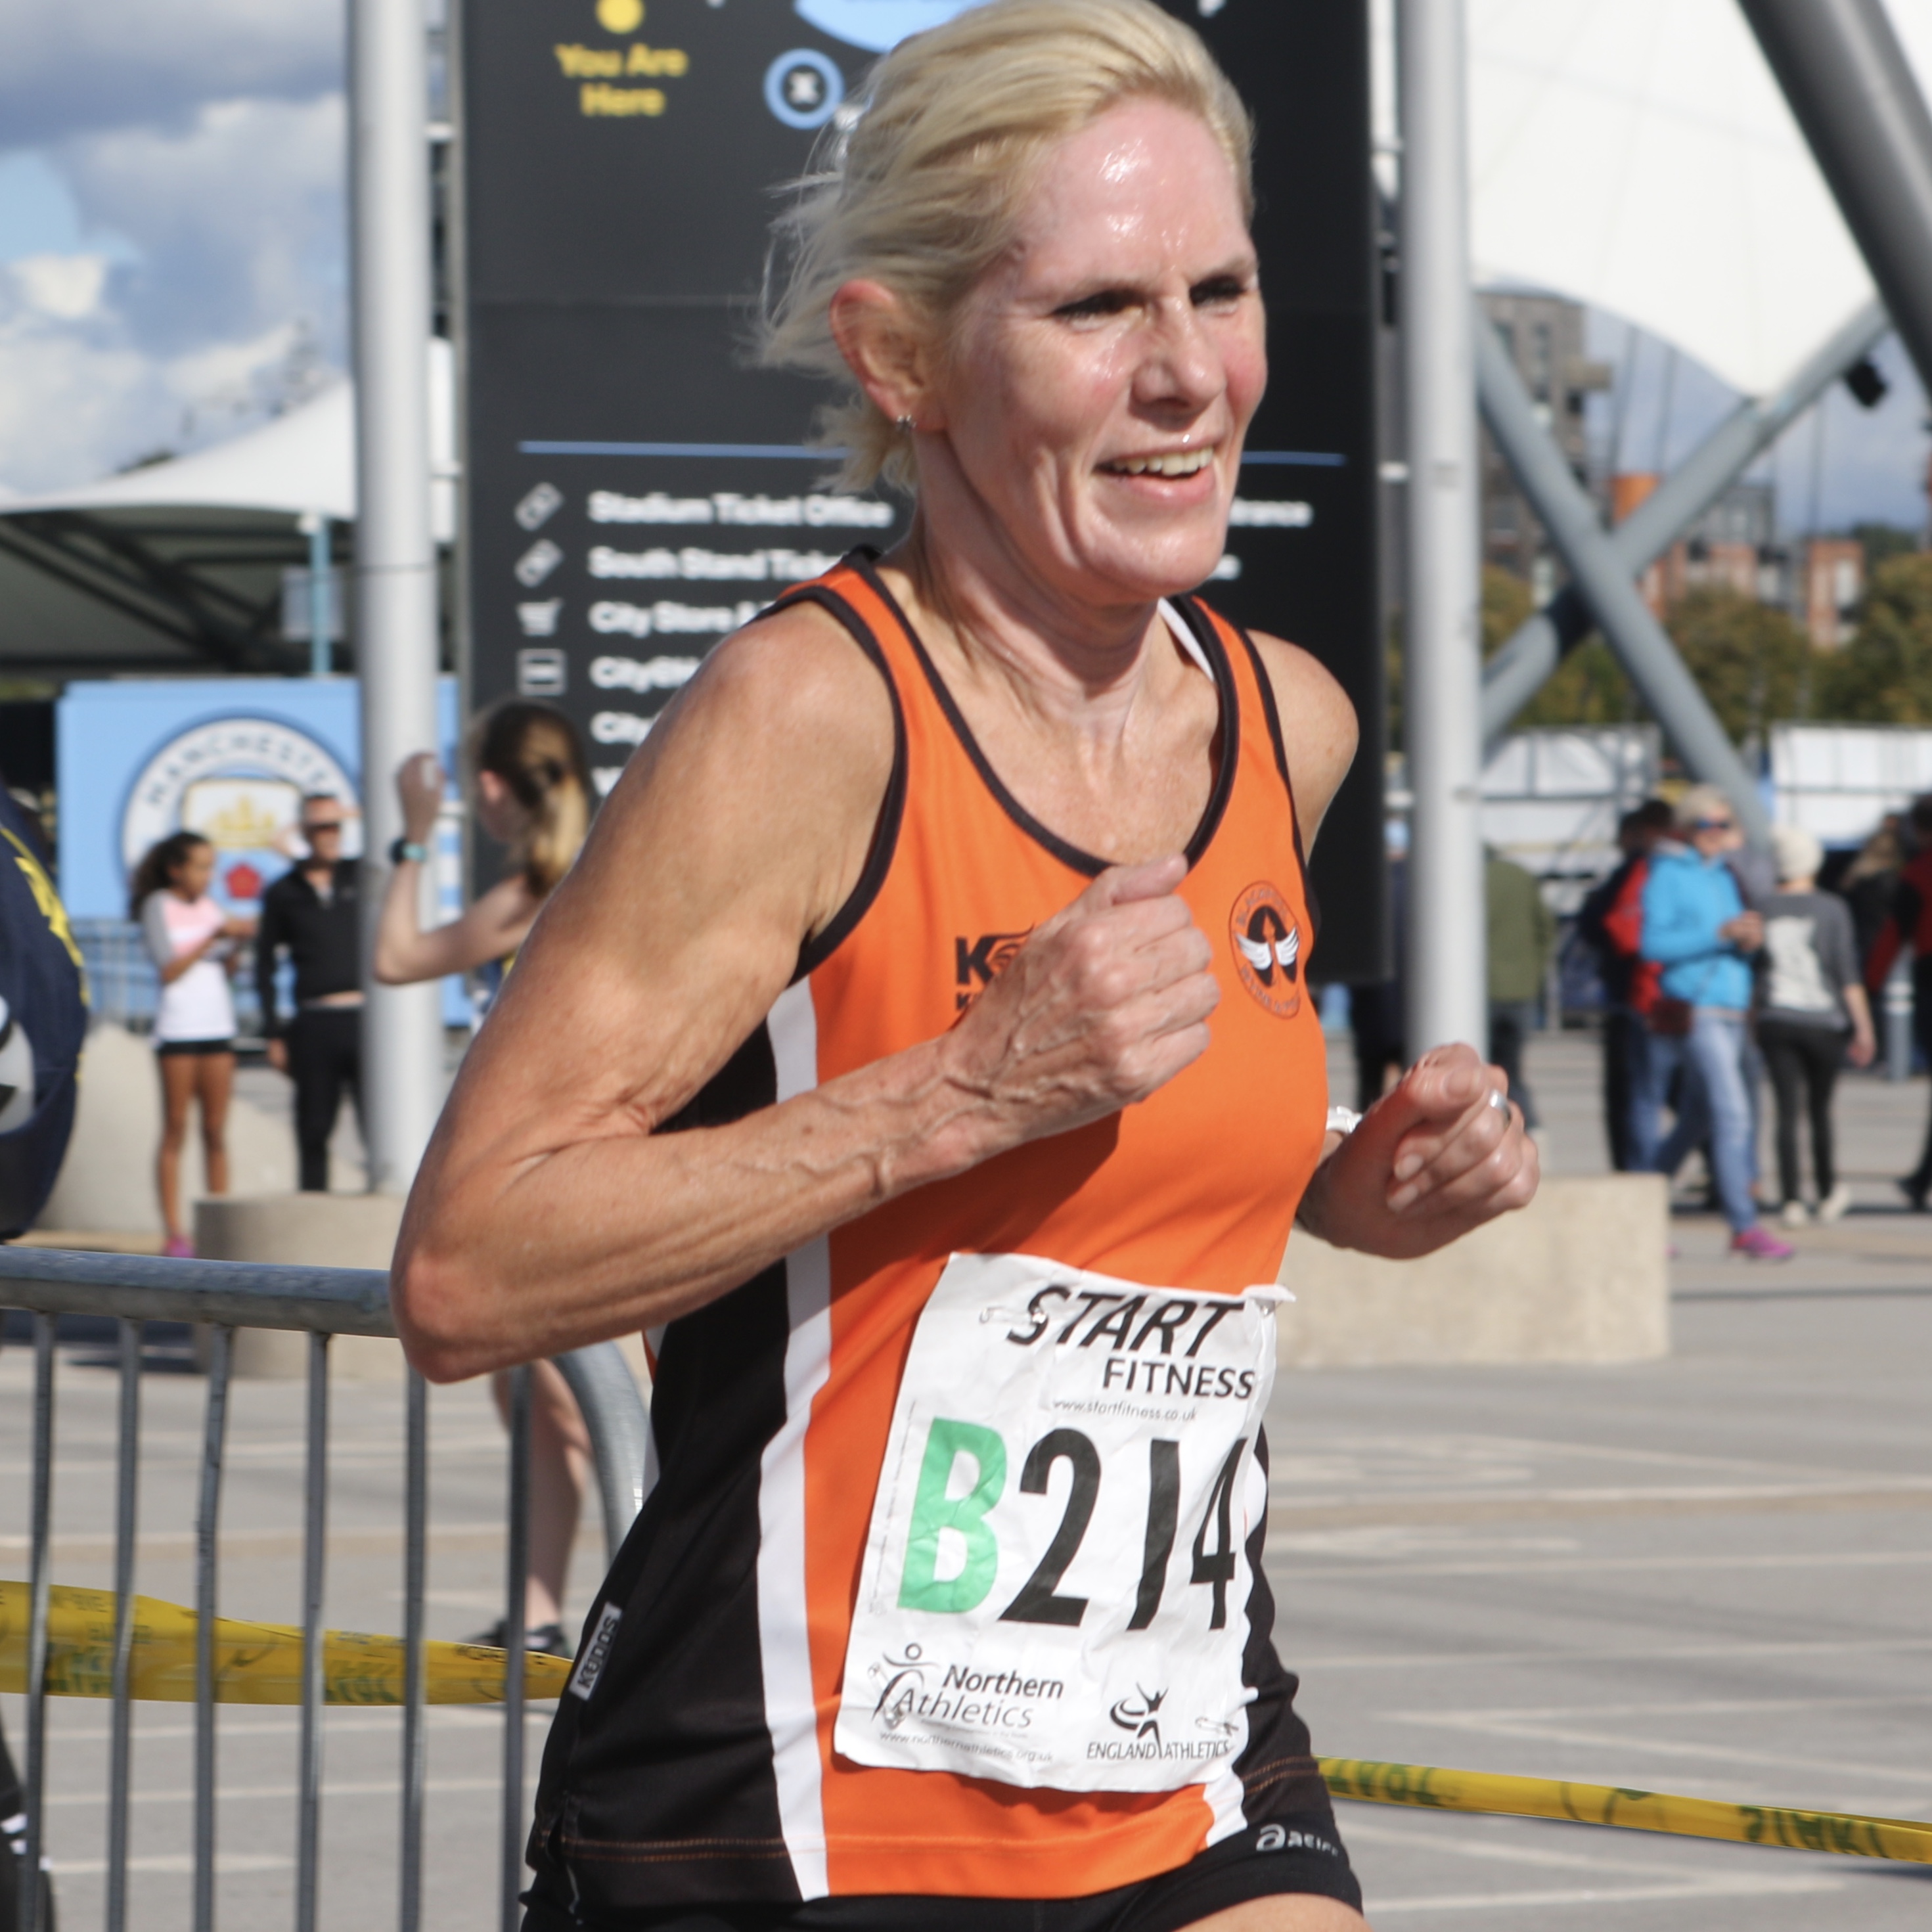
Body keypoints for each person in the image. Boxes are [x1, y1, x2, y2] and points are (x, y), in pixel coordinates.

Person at [393, 9, 1538, 1928]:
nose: (1188, 373)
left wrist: (1348, 1183)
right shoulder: (806, 718)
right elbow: (465, 1266)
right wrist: (958, 1088)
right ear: (898, 355)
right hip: (796, 1786)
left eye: (1220, 288)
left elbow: (1102, 1168)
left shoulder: (1289, 722)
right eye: (1096, 307)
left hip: (1172, 1736)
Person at [376, 700, 595, 1657]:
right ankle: (538, 1610)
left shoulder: (537, 893)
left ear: (497, 788)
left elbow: (395, 957)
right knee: (534, 1402)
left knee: (573, 1401)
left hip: (561, 1175)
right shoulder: (588, 876)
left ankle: (640, 1611)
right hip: (550, 1170)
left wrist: (413, 838)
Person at [1637, 788, 1791, 1260]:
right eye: (1706, 824)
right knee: (1732, 1113)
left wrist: (1747, 941)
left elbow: (1730, 939)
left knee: (1697, 1119)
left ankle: (1636, 1209)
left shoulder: (1724, 874)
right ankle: (1743, 1224)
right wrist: (1718, 934)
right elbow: (1652, 944)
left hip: (1732, 1004)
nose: (1715, 833)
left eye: (1723, 824)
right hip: (1697, 1005)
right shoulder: (1668, 874)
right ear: (1686, 828)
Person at [130, 832, 251, 1259]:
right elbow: (169, 969)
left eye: (211, 866)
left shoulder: (211, 906)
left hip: (217, 1028)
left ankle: (217, 1226)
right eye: (200, 866)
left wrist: (236, 942)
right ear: (175, 869)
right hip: (178, 1032)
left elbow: (227, 970)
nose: (208, 875)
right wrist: (211, 937)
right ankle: (175, 1231)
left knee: (216, 1130)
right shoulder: (158, 905)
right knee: (176, 1127)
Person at [1759, 824, 1874, 1226]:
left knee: (1786, 1111)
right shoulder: (1831, 908)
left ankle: (1791, 1198)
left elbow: (1755, 970)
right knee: (1821, 1110)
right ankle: (1826, 1191)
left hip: (1776, 1017)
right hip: (1823, 1019)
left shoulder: (1762, 906)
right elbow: (1847, 973)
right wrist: (1864, 1026)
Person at [256, 794, 364, 1191]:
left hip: (365, 1018)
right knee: (314, 1126)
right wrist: (273, 1032)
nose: (330, 834)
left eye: (336, 826)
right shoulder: (284, 891)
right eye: (320, 827)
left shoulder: (360, 876)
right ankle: (314, 1207)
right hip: (315, 1021)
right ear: (304, 832)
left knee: (380, 1123)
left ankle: (392, 1213)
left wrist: (347, 812)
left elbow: (401, 837)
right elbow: (265, 964)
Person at [1575, 799, 1673, 1171]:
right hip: (1682, 996)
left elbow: (1603, 926)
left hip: (1635, 995)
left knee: (1634, 1094)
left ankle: (1636, 1172)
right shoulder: (1697, 870)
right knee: (1690, 1094)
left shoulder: (1636, 870)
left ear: (1640, 833)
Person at [1864, 793, 1932, 1206]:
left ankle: (1921, 1180)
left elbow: (1893, 935)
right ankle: (1921, 1179)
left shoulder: (1919, 873)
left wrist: (1869, 985)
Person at [1485, 847, 1555, 1133]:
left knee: (1484, 1070)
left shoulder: (1470, 878)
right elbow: (1547, 927)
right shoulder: (1521, 876)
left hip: (1485, 989)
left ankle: (1504, 1129)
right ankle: (1529, 1128)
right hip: (1523, 988)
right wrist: (1535, 967)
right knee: (1512, 1068)